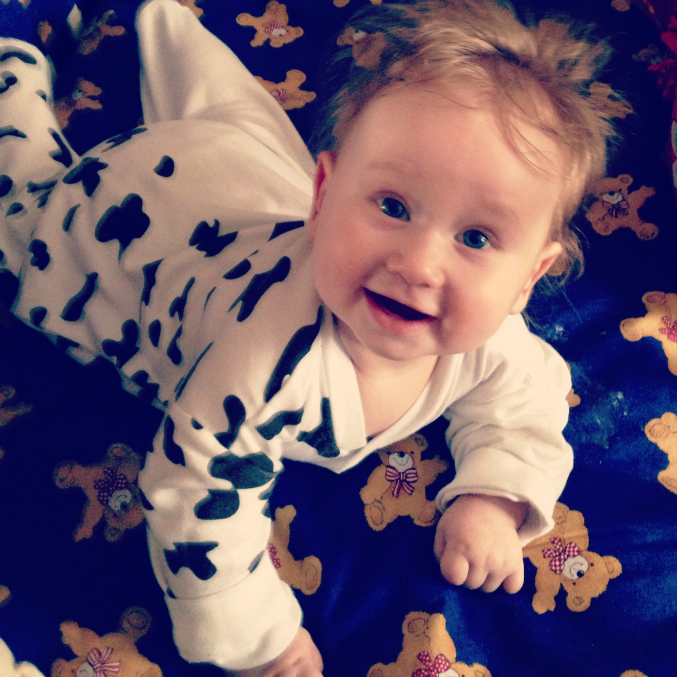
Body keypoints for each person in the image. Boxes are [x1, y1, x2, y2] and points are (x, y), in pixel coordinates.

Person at [0, 0, 619, 674]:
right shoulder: (259, 366)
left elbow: (528, 397)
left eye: (475, 237)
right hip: (130, 222)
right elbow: (195, 497)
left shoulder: (491, 339)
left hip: (243, 176)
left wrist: (494, 495)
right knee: (24, 214)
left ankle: (164, 27)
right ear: (325, 196)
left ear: (528, 279)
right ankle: (19, 57)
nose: (417, 264)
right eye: (392, 206)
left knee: (239, 128)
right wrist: (260, 640)